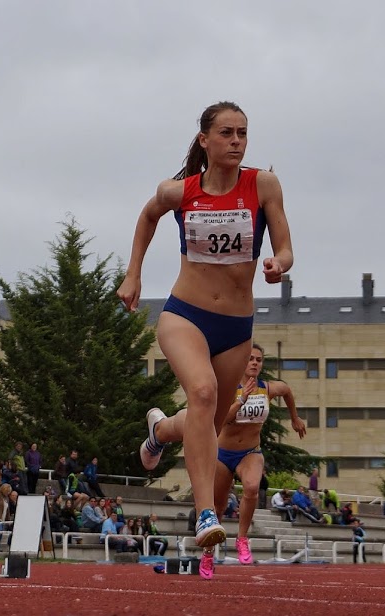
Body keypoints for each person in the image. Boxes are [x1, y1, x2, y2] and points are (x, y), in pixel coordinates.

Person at [120, 100, 294, 579]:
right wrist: (133, 274)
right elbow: (148, 216)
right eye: (227, 133)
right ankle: (205, 515)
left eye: (243, 133)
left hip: (236, 327)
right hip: (185, 314)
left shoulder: (263, 185)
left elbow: (285, 246)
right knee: (202, 392)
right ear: (205, 140)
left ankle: (160, 431)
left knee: (206, 423)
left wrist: (278, 264)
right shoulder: (179, 191)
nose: (237, 141)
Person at [141, 343, 307, 573]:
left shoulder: (267, 389)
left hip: (250, 452)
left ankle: (242, 538)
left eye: (258, 360)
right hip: (221, 453)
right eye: (250, 359)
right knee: (217, 508)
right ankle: (208, 555)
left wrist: (295, 418)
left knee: (252, 487)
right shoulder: (229, 389)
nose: (254, 363)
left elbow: (286, 390)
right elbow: (220, 420)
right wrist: (241, 400)